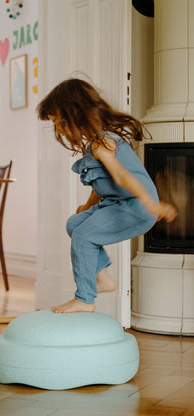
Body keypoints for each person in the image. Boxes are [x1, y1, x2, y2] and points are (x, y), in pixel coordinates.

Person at [37, 78, 177, 313]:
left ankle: (85, 298)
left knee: (83, 237)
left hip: (135, 206)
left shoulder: (103, 143)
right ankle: (102, 279)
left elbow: (122, 177)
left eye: (59, 122)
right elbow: (103, 184)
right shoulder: (95, 143)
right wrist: (87, 205)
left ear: (75, 115)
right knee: (75, 224)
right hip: (116, 203)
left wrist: (153, 204)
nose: (58, 130)